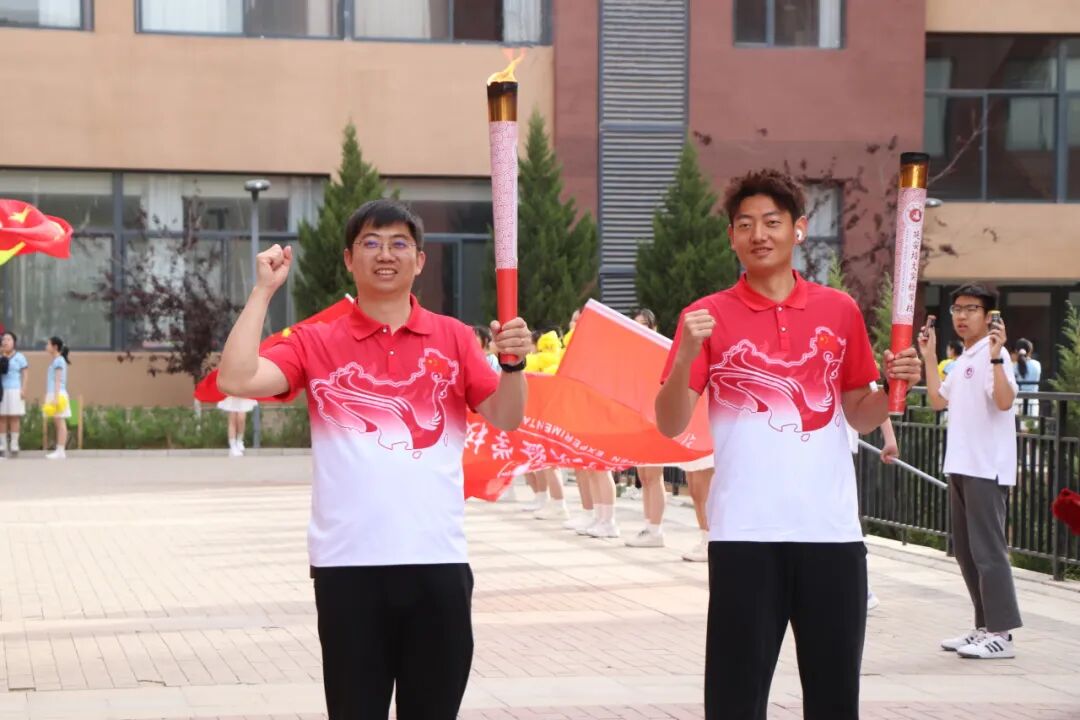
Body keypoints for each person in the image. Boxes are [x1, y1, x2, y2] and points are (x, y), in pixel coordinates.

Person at [216, 199, 531, 719]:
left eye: (399, 243)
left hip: (436, 563)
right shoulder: (316, 341)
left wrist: (513, 366)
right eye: (371, 243)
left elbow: (506, 416)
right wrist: (263, 291)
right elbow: (235, 378)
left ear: (420, 260)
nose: (386, 254)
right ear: (348, 259)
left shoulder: (453, 337)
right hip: (349, 569)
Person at [654, 169, 921, 720]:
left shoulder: (839, 311)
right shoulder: (705, 317)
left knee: (834, 697)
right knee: (735, 699)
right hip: (744, 535)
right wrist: (685, 358)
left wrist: (896, 388)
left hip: (830, 534)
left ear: (798, 229)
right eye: (745, 224)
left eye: (772, 222)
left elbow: (859, 413)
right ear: (731, 236)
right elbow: (669, 422)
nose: (759, 234)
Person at [920, 285, 1022, 660]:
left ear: (988, 314)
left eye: (971, 309)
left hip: (986, 467)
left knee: (989, 553)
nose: (962, 316)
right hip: (961, 465)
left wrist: (996, 357)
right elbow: (937, 400)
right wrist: (929, 356)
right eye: (957, 309)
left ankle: (1002, 634)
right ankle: (984, 626)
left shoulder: (995, 355)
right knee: (966, 553)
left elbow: (1005, 401)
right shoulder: (965, 357)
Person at [625, 308, 669, 548]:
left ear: (653, 327)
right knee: (643, 476)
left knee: (654, 475)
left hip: (656, 418)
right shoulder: (632, 354)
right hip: (638, 418)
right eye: (635, 324)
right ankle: (648, 526)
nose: (639, 328)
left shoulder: (660, 351)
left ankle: (656, 530)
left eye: (644, 324)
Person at [0, 330, 28, 458]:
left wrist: (24, 388)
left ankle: (14, 444)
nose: (5, 341)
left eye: (8, 339)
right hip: (2, 390)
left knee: (14, 417)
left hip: (15, 389)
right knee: (2, 417)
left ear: (14, 342)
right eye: (3, 339)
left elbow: (25, 374)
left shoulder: (20, 357)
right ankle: (2, 445)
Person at [43, 336, 73, 460]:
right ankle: (59, 450)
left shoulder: (59, 361)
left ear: (55, 347)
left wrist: (55, 397)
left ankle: (61, 451)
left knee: (60, 422)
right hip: (54, 393)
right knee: (58, 422)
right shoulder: (56, 360)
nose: (46, 346)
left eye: (48, 344)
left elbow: (58, 380)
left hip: (58, 394)